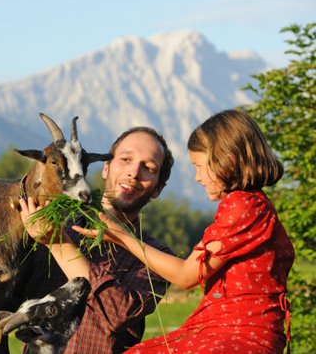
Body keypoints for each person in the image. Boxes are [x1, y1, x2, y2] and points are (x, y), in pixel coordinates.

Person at [74, 109, 295, 353]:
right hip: (243, 327)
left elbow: (186, 276)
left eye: (199, 166)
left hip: (239, 330)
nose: (198, 178)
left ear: (227, 161)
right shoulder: (256, 205)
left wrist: (122, 236)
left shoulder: (242, 204)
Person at [0, 126, 175, 353]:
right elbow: (0, 308)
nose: (134, 172)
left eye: (149, 168)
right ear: (105, 168)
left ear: (158, 189)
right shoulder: (51, 227)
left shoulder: (156, 256)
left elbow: (116, 313)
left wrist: (58, 243)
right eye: (125, 160)